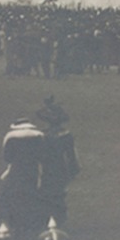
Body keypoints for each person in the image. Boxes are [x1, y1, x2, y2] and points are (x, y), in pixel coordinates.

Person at [0, 116, 46, 232]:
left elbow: (7, 157)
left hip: (17, 168)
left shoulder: (10, 136)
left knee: (14, 193)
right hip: (32, 168)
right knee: (32, 192)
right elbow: (43, 154)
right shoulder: (38, 135)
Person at [37, 96, 80, 225]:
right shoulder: (66, 135)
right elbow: (71, 155)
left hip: (46, 167)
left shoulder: (42, 135)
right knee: (59, 193)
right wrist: (74, 169)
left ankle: (46, 216)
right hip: (60, 167)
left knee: (45, 192)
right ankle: (58, 216)